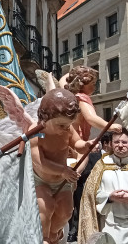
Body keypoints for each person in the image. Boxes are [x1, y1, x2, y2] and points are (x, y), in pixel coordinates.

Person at [30, 88, 93, 244]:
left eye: (68, 125)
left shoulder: (67, 129)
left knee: (66, 211)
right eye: (61, 125)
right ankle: (43, 237)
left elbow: (77, 143)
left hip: (62, 180)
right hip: (41, 180)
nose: (66, 128)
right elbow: (40, 162)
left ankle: (53, 233)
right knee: (45, 207)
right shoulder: (35, 132)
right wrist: (62, 170)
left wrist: (86, 145)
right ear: (46, 118)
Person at [64, 66, 121, 141]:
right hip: (77, 138)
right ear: (81, 84)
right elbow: (91, 118)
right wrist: (110, 126)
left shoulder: (72, 97)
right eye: (93, 83)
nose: (95, 87)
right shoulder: (82, 97)